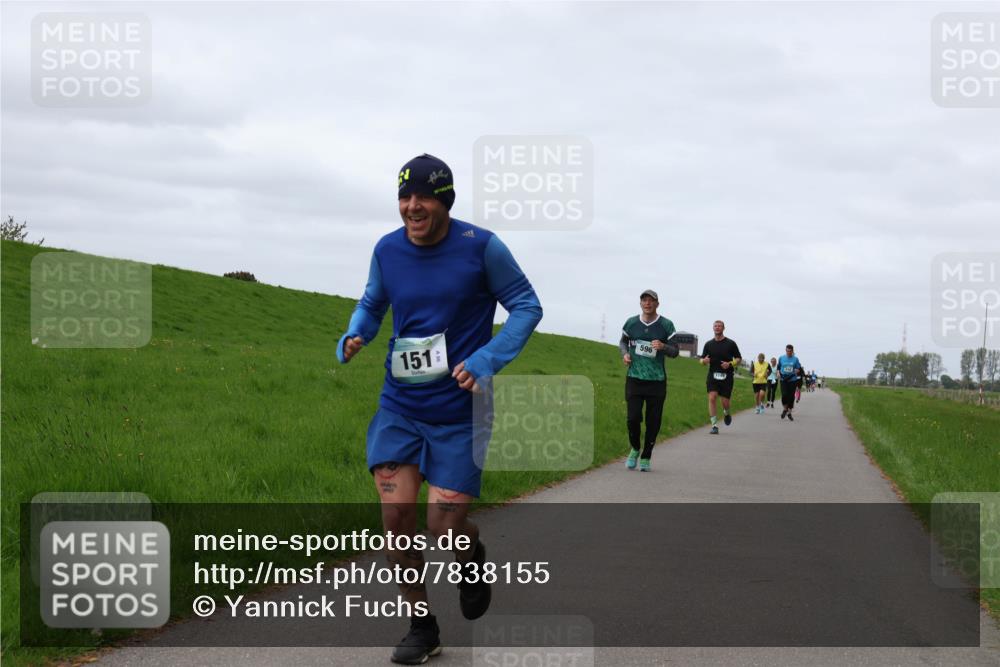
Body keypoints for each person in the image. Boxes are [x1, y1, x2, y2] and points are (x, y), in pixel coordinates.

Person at [337, 154, 543, 665]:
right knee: (397, 517)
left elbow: (526, 305)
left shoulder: (482, 248)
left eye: (423, 197)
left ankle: (470, 561)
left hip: (461, 409)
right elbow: (372, 302)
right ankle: (421, 624)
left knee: (444, 525)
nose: (412, 206)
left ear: (444, 200)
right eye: (405, 197)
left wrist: (488, 358)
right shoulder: (387, 249)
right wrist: (357, 329)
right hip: (400, 405)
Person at [619, 290, 678, 471]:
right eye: (644, 300)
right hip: (634, 378)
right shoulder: (631, 322)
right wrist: (625, 354)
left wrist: (663, 346)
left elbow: (675, 351)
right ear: (640, 303)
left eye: (651, 301)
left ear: (657, 304)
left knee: (653, 421)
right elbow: (623, 342)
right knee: (633, 418)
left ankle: (646, 456)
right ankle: (635, 448)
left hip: (657, 380)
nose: (647, 303)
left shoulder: (666, 325)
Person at [700, 320, 742, 434]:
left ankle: (727, 413)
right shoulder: (708, 344)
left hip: (727, 376)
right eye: (715, 326)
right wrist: (704, 361)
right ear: (713, 328)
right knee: (712, 397)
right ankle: (714, 425)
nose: (717, 328)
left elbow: (738, 359)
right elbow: (701, 359)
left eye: (719, 326)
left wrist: (730, 364)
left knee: (725, 402)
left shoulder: (731, 343)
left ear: (723, 328)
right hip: (712, 375)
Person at [777, 344, 804, 421]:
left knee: (791, 396)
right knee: (784, 395)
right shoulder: (781, 358)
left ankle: (789, 412)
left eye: (790, 351)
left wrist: (797, 370)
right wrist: (778, 373)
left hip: (792, 379)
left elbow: (799, 369)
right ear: (785, 350)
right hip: (783, 379)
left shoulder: (795, 359)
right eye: (787, 351)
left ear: (792, 351)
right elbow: (778, 367)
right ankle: (785, 409)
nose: (788, 352)